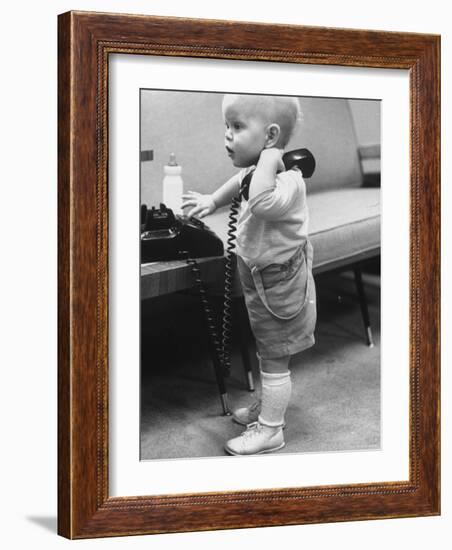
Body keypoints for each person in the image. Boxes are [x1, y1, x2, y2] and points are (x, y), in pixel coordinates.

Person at [182, 93, 317, 455]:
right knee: (266, 349)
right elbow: (241, 182)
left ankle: (271, 430)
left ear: (271, 137)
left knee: (275, 356)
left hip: (282, 285)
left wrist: (271, 160)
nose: (227, 135)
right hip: (261, 280)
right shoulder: (257, 172)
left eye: (237, 126)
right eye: (227, 125)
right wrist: (212, 200)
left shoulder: (288, 182)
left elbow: (259, 200)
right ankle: (268, 408)